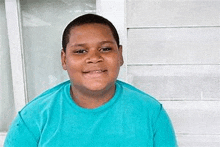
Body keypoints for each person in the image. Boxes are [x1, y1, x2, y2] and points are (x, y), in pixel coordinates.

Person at [4, 14, 177, 146]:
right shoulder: (32, 119)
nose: (94, 58)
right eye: (80, 51)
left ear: (120, 55)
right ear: (64, 59)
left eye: (105, 48)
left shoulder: (151, 113)